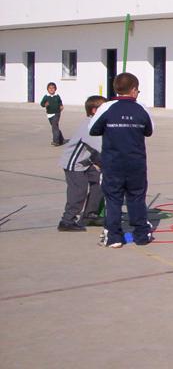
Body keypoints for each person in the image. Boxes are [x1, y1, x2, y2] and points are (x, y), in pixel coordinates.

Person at [89, 72, 154, 248]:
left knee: (113, 199)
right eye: (137, 90)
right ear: (133, 90)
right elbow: (149, 130)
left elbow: (93, 128)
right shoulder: (141, 108)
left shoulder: (106, 108)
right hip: (135, 163)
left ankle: (114, 237)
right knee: (136, 198)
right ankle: (141, 235)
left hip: (113, 163)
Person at [57, 95, 107, 231]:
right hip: (74, 164)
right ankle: (67, 221)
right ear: (94, 111)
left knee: (100, 181)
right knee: (79, 191)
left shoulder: (97, 124)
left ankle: (90, 214)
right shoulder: (90, 126)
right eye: (104, 108)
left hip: (86, 161)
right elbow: (102, 148)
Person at [40, 82, 66, 146]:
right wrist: (45, 104)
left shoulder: (57, 96)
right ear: (47, 89)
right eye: (50, 88)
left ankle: (56, 141)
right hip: (49, 114)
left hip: (57, 113)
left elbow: (60, 102)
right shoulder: (46, 97)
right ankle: (61, 139)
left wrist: (61, 106)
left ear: (55, 89)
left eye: (53, 88)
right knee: (55, 127)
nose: (51, 89)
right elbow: (42, 104)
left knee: (54, 127)